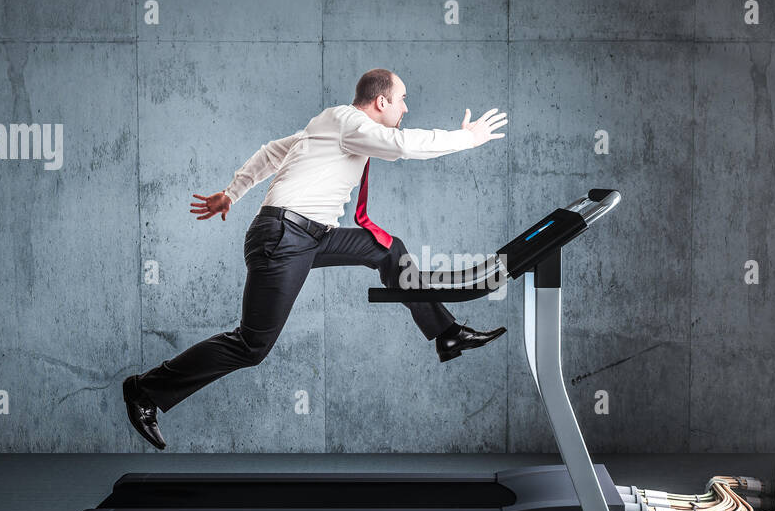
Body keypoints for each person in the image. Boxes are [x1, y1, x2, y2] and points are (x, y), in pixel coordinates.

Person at [123, 69, 510, 449]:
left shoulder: (330, 125)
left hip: (311, 236)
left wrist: (232, 192)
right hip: (284, 236)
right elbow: (403, 146)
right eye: (402, 99)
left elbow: (271, 152)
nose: (406, 108)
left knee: (388, 248)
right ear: (381, 101)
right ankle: (145, 390)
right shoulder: (347, 120)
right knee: (251, 346)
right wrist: (467, 138)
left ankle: (447, 333)